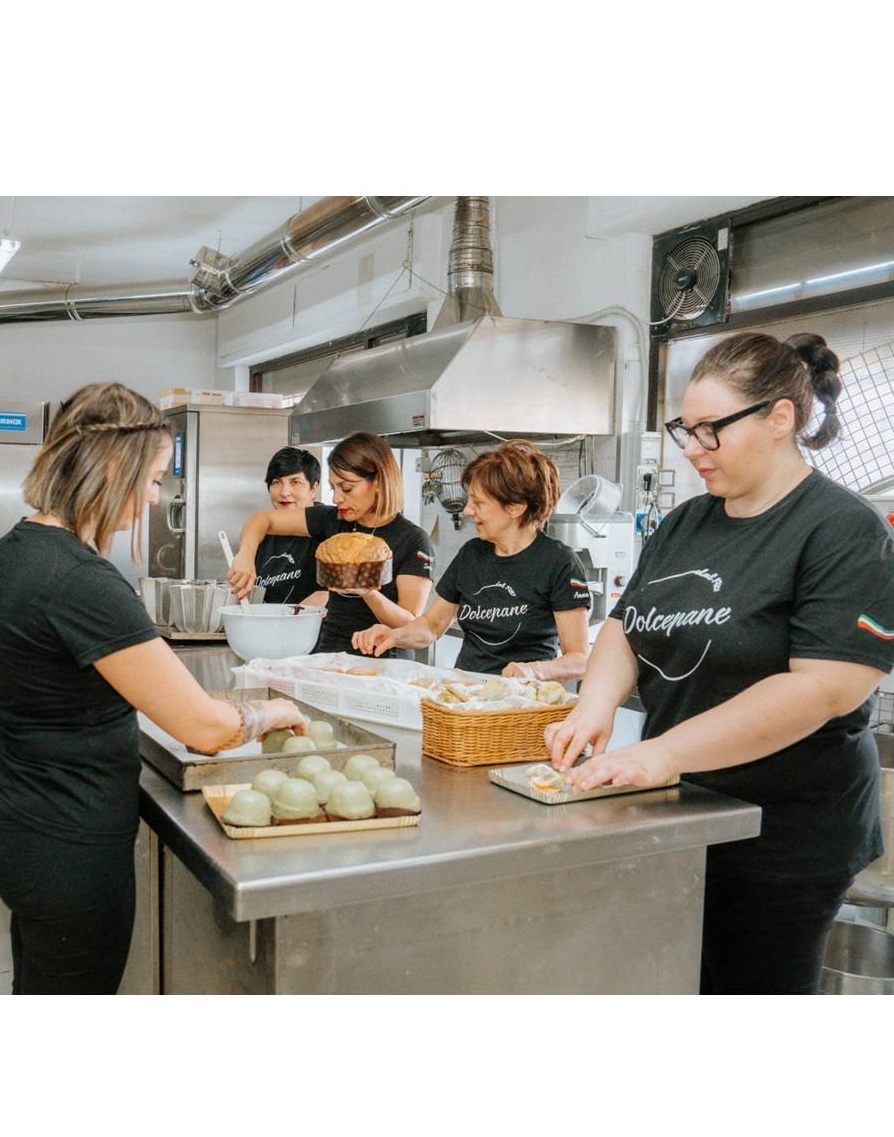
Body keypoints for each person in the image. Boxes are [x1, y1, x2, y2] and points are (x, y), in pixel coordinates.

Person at [545, 331, 894, 995]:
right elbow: (626, 624)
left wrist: (663, 753)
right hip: (679, 814)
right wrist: (594, 706)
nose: (692, 450)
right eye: (686, 430)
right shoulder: (686, 524)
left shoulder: (842, 531)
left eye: (711, 431)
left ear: (780, 418)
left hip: (781, 837)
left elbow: (822, 690)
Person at [0, 382, 305, 995]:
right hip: (70, 842)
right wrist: (266, 712)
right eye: (152, 479)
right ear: (113, 469)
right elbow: (204, 729)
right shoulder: (81, 580)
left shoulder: (11, 552)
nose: (154, 497)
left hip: (19, 812)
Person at [352, 440, 591, 678]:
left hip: (522, 704)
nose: (467, 510)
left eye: (478, 502)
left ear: (515, 507)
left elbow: (580, 660)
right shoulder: (472, 553)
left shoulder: (558, 563)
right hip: (469, 697)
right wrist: (395, 636)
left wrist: (533, 670)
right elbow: (432, 626)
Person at [228, 431, 434, 659]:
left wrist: (368, 592)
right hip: (329, 657)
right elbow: (261, 520)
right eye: (333, 487)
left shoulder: (413, 540)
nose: (337, 498)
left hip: (384, 665)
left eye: (346, 488)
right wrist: (246, 555)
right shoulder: (332, 519)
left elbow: (411, 623)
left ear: (378, 483)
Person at [254, 446, 327, 607]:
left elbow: (328, 594)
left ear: (314, 488)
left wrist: (284, 623)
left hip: (309, 629)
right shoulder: (262, 534)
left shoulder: (327, 529)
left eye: (295, 482)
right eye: (276, 482)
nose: (284, 492)